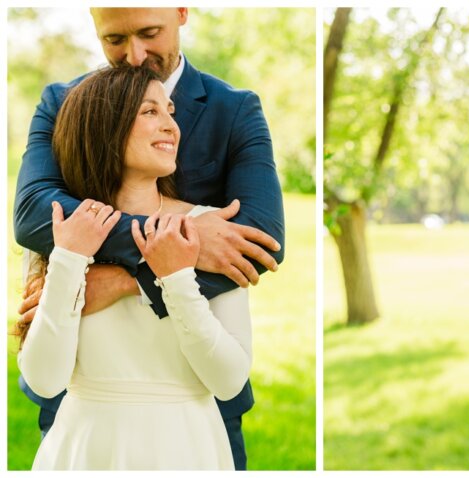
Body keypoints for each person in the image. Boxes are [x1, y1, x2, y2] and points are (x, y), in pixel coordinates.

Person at [13, 8, 285, 470]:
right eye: (114, 39)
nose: (134, 56)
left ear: (181, 13)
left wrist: (135, 277)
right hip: (82, 421)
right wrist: (81, 259)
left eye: (149, 33)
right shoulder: (65, 102)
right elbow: (33, 211)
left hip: (191, 419)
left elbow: (255, 243)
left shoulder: (234, 110)